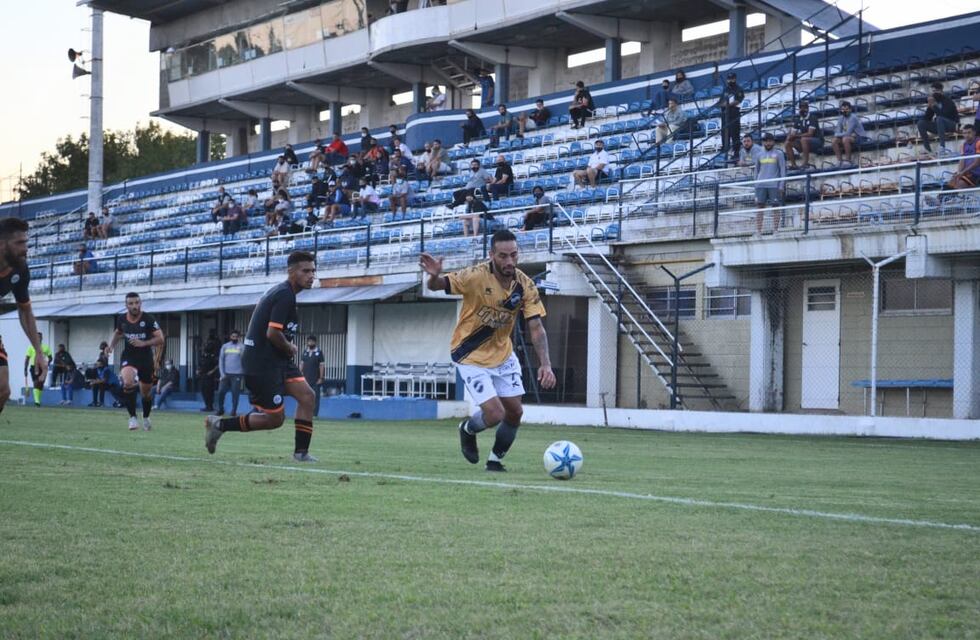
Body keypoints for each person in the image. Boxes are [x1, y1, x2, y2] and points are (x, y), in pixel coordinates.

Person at [419, 230, 556, 472]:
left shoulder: (524, 285)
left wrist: (545, 364)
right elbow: (440, 284)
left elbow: (536, 328)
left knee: (515, 413)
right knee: (494, 414)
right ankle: (467, 429)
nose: (509, 262)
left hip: (502, 356)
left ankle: (494, 461)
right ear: (491, 254)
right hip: (469, 355)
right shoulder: (475, 276)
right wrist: (433, 277)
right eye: (503, 256)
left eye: (513, 255)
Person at [205, 251, 319, 462]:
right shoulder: (284, 294)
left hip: (277, 360)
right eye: (306, 271)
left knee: (307, 397)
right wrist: (289, 346)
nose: (311, 275)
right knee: (275, 419)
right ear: (291, 271)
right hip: (262, 364)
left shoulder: (284, 293)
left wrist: (285, 348)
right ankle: (219, 425)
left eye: (313, 270)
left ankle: (301, 453)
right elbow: (272, 333)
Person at [106, 292, 164, 431]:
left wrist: (144, 343)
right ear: (126, 305)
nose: (134, 306)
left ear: (140, 303)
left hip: (145, 358)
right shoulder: (122, 319)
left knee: (146, 393)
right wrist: (111, 346)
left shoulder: (148, 319)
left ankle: (146, 417)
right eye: (131, 303)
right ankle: (132, 418)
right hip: (129, 357)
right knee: (127, 382)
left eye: (136, 303)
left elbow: (161, 339)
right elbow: (118, 332)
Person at [755, 133, 787, 235]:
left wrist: (781, 185)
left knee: (775, 207)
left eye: (769, 141)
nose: (768, 143)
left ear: (773, 141)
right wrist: (756, 185)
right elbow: (756, 170)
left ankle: (776, 230)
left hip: (774, 185)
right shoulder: (759, 154)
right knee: (760, 207)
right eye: (765, 141)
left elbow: (782, 169)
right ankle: (758, 231)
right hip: (761, 185)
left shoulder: (779, 154)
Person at [917, 86, 959, 155]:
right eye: (933, 91)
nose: (934, 93)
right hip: (940, 126)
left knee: (939, 119)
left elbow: (945, 116)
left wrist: (934, 106)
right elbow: (927, 118)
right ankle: (928, 150)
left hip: (952, 124)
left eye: (936, 91)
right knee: (921, 123)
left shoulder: (948, 101)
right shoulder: (934, 101)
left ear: (941, 91)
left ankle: (942, 147)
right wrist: (930, 107)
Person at [784, 100, 824, 169]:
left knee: (803, 139)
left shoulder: (812, 117)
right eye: (801, 108)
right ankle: (794, 165)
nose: (803, 109)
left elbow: (810, 134)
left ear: (808, 108)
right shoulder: (798, 119)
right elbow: (792, 133)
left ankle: (805, 163)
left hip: (817, 141)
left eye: (804, 107)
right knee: (788, 143)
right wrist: (789, 137)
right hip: (804, 142)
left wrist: (796, 136)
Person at [831, 101, 868, 168]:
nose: (844, 111)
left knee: (846, 138)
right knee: (834, 140)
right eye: (843, 109)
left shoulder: (853, 117)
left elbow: (847, 133)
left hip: (860, 137)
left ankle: (848, 161)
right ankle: (840, 161)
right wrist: (839, 134)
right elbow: (837, 132)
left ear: (850, 109)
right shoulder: (841, 118)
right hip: (850, 136)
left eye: (847, 109)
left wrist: (839, 134)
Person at [718, 72, 745, 162]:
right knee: (725, 133)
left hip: (734, 113)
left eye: (732, 79)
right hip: (725, 114)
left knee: (735, 133)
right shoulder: (725, 90)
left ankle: (736, 152)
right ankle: (725, 150)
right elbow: (720, 102)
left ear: (735, 79)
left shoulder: (738, 89)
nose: (730, 80)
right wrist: (725, 105)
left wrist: (728, 104)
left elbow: (738, 100)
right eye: (729, 79)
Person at [216, 329, 244, 417]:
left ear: (239, 338)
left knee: (235, 394)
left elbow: (244, 360)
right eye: (233, 336)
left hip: (237, 374)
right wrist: (222, 374)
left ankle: (234, 411)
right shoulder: (225, 346)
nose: (234, 338)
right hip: (225, 374)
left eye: (236, 337)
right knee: (221, 392)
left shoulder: (242, 347)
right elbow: (221, 360)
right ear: (230, 337)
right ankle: (220, 409)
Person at [944, 124, 980, 190]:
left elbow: (977, 163)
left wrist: (962, 172)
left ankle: (948, 199)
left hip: (977, 174)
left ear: (974, 133)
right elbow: (962, 160)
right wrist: (959, 173)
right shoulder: (963, 145)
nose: (966, 135)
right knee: (952, 181)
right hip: (967, 173)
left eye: (969, 132)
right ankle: (939, 199)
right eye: (964, 133)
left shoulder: (978, 142)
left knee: (959, 184)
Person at [24, 331, 53, 407]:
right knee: (36, 382)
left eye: (39, 337)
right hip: (34, 367)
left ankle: (38, 400)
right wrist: (25, 369)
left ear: (41, 338)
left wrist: (47, 363)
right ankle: (37, 402)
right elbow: (27, 359)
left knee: (41, 384)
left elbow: (50, 357)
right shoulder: (30, 347)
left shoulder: (46, 347)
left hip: (43, 368)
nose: (38, 338)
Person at [301, 335, 325, 418]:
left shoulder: (319, 352)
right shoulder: (305, 352)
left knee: (315, 397)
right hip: (305, 379)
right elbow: (302, 364)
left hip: (315, 379)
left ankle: (314, 414)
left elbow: (321, 366)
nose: (310, 343)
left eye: (311, 341)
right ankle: (305, 413)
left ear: (315, 342)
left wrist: (321, 378)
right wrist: (300, 375)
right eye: (309, 341)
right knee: (305, 397)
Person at [197, 331, 220, 413]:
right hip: (203, 375)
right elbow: (200, 364)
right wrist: (198, 370)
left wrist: (212, 371)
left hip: (210, 376)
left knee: (209, 391)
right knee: (203, 390)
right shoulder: (203, 356)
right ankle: (207, 405)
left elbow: (217, 365)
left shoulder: (213, 356)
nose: (206, 346)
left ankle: (210, 406)